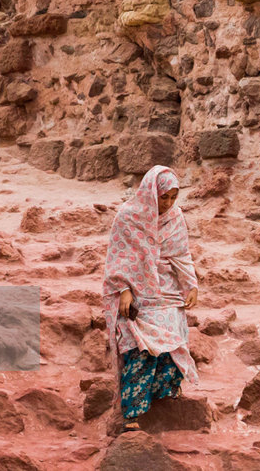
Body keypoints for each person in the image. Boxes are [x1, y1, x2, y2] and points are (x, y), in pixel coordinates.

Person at [102, 165, 199, 433]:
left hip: (166, 290)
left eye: (172, 197)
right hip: (137, 290)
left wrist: (191, 285)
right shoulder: (128, 217)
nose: (167, 204)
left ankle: (163, 392)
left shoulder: (176, 217)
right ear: (150, 194)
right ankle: (132, 411)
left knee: (173, 333)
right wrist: (123, 289)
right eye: (163, 197)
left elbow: (181, 254)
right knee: (141, 347)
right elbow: (118, 258)